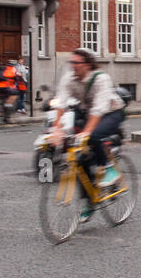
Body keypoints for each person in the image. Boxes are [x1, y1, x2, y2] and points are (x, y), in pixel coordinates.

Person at [49, 48, 127, 190]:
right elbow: (61, 102)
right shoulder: (69, 78)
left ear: (87, 64)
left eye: (76, 63)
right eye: (71, 62)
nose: (72, 66)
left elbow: (99, 109)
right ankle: (90, 199)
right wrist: (56, 129)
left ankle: (109, 168)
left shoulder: (101, 78)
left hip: (112, 112)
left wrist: (86, 132)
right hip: (89, 113)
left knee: (92, 136)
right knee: (79, 156)